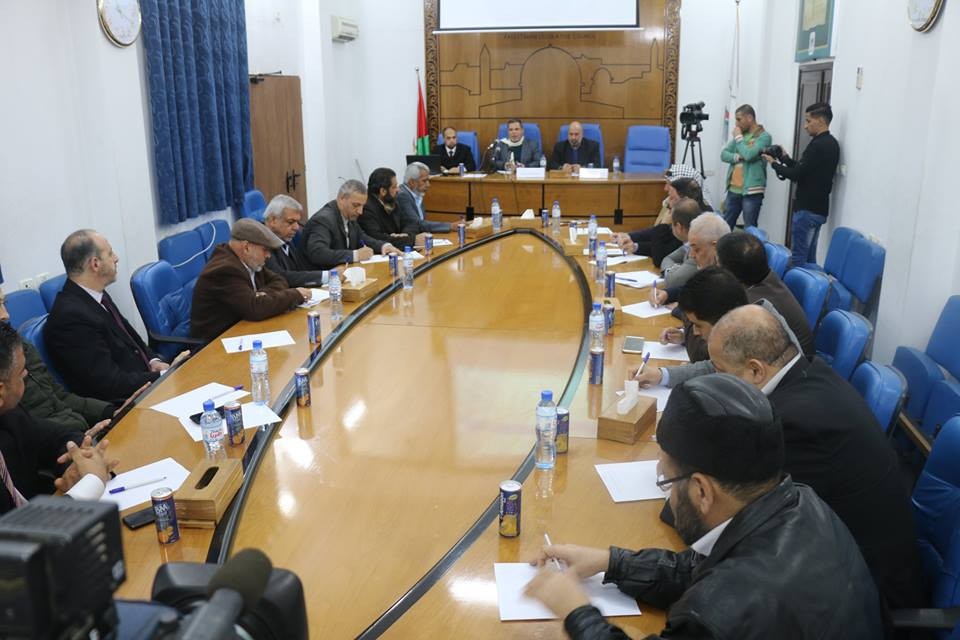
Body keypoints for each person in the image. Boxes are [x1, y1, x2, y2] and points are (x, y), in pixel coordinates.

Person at [524, 373, 883, 640]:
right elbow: (703, 568)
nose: (668, 495)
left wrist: (576, 612)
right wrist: (613, 563)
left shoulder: (718, 613)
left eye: (667, 482)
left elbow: (722, 597)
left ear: (702, 491)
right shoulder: (799, 501)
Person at [708, 305, 927, 612]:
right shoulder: (809, 374)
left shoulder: (794, 423)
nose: (714, 381)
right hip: (844, 564)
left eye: (719, 371)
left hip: (866, 602)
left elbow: (748, 516)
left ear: (756, 371)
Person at [45, 230, 179, 403]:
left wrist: (153, 360)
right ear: (95, 264)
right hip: (126, 402)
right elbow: (109, 384)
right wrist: (164, 375)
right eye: (110, 253)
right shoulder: (70, 319)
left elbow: (130, 338)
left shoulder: (95, 295)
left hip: (144, 383)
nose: (116, 258)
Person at [0, 322, 116, 515]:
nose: (27, 375)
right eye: (21, 374)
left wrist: (78, 462)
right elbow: (12, 532)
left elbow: (57, 437)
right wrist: (90, 485)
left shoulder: (10, 414)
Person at [0, 288, 123, 431]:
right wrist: (74, 439)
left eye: (3, 303)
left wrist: (110, 412)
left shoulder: (20, 346)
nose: (5, 315)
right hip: (61, 439)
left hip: (76, 431)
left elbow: (59, 396)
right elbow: (25, 433)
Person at [191, 219, 311, 342]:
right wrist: (296, 294)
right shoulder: (225, 270)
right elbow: (256, 309)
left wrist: (261, 296)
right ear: (246, 247)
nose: (268, 255)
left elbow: (279, 280)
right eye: (265, 249)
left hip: (242, 330)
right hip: (215, 343)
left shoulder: (249, 261)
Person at [636, 268, 749, 383]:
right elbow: (712, 367)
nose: (694, 331)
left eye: (698, 325)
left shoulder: (749, 353)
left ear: (724, 323)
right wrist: (661, 375)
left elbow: (708, 363)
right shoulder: (735, 339)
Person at [763, 102, 840, 266]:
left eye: (808, 121)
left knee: (799, 260)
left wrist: (773, 163)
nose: (805, 126)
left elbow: (796, 174)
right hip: (818, 210)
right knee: (809, 259)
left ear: (820, 121)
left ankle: (799, 283)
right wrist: (785, 159)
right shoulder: (831, 143)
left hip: (807, 211)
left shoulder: (818, 145)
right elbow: (804, 170)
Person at [716, 231, 815, 357]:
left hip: (789, 365)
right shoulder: (767, 279)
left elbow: (724, 351)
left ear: (730, 273)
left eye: (717, 263)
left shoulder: (752, 308)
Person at [300, 180, 401, 270]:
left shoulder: (349, 215)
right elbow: (318, 253)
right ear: (341, 198)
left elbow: (362, 237)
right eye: (356, 205)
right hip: (321, 279)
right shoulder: (324, 219)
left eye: (362, 206)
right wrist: (354, 255)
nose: (360, 211)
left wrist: (383, 246)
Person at [615, 173, 711, 267]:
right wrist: (633, 243)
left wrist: (663, 224)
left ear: (685, 200)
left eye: (672, 198)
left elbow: (660, 257)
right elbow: (661, 243)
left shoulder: (692, 223)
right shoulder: (688, 212)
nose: (668, 202)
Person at [720, 104, 772, 229]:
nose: (736, 124)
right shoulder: (742, 135)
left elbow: (749, 155)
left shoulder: (764, 137)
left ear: (749, 118)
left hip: (752, 190)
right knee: (725, 226)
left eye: (739, 119)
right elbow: (724, 154)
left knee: (750, 228)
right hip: (733, 189)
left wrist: (738, 138)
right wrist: (739, 157)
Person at [263, 194, 329, 288]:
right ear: (273, 220)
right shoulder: (262, 242)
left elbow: (299, 270)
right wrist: (327, 276)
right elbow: (280, 277)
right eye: (290, 222)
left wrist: (329, 273)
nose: (296, 227)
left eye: (297, 222)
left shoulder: (285, 238)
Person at [359, 167, 424, 250]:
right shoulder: (366, 209)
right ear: (383, 191)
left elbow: (411, 222)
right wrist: (411, 240)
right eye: (394, 187)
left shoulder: (392, 202)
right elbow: (377, 238)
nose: (398, 189)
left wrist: (406, 234)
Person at [657, 198, 702, 289]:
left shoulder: (697, 248)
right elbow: (668, 258)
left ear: (678, 227)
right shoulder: (687, 244)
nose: (671, 227)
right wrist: (675, 269)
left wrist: (672, 271)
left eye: (671, 224)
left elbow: (674, 281)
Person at [397, 162, 451, 233]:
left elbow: (423, 222)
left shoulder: (417, 193)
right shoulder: (402, 196)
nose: (428, 185)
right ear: (412, 182)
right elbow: (417, 224)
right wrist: (450, 226)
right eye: (424, 181)